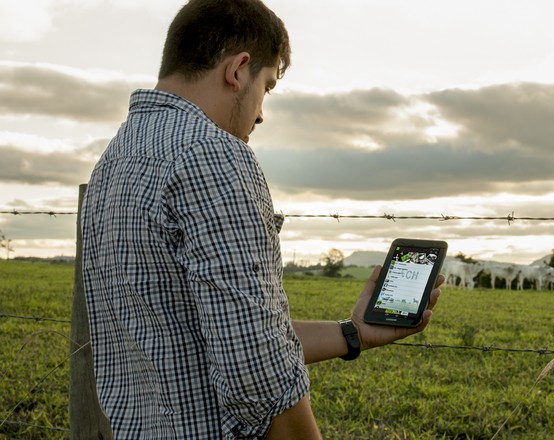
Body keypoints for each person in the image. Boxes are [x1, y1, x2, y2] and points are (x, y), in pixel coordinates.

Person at [80, 0, 443, 438]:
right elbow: (256, 367)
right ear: (238, 70)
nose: (261, 113)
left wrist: (354, 333)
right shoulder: (212, 155)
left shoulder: (116, 158)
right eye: (267, 86)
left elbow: (209, 333)